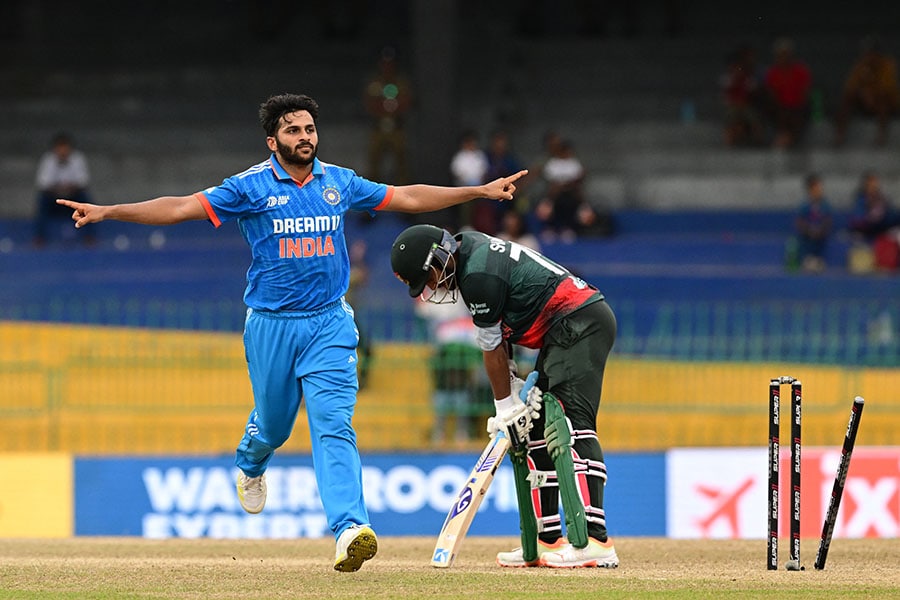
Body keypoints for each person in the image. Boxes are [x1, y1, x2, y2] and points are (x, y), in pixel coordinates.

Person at [57, 93, 527, 573]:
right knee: (276, 424)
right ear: (272, 140)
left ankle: (349, 529)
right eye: (293, 131)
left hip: (329, 323)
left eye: (309, 129)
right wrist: (110, 211)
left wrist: (477, 193)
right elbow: (179, 208)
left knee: (334, 425)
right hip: (271, 326)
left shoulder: (338, 181)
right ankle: (250, 461)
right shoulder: (250, 187)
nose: (305, 138)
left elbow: (405, 196)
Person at [390, 224, 619, 569]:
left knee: (571, 424)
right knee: (536, 429)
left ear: (439, 257)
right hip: (560, 330)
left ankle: (596, 541)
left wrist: (504, 406)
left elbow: (492, 345)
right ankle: (546, 541)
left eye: (431, 277)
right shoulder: (469, 255)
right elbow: (500, 334)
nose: (433, 288)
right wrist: (512, 388)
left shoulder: (477, 274)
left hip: (580, 322)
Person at [414, 297, 485, 446]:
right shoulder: (440, 351)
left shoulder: (463, 349)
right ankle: (439, 436)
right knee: (442, 402)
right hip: (443, 387)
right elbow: (433, 368)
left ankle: (462, 435)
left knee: (463, 402)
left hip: (460, 388)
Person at [833, 35, 900, 147]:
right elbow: (850, 86)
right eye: (867, 52)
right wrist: (863, 93)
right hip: (865, 102)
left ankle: (881, 136)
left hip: (884, 103)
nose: (868, 55)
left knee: (884, 103)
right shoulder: (861, 65)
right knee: (847, 99)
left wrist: (871, 94)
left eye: (871, 52)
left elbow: (887, 88)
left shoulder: (888, 64)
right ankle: (839, 134)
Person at [33, 132, 95, 246]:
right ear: (55, 149)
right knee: (42, 201)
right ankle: (39, 238)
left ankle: (90, 237)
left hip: (73, 196)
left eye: (65, 147)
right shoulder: (48, 160)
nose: (62, 151)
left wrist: (69, 188)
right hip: (54, 197)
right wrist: (59, 189)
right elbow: (43, 184)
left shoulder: (78, 159)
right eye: (59, 148)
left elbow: (83, 181)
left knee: (87, 202)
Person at [363, 46, 413, 184]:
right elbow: (370, 103)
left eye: (390, 63)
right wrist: (385, 108)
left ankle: (404, 194)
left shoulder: (401, 82)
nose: (387, 66)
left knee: (401, 161)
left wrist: (393, 108)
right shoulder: (375, 82)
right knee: (374, 161)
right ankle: (372, 197)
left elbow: (406, 102)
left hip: (397, 126)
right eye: (384, 63)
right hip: (378, 126)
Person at [763, 37, 812, 149]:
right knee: (776, 111)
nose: (783, 57)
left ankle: (787, 139)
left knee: (797, 114)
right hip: (780, 111)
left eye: (786, 54)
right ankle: (784, 138)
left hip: (798, 109)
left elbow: (805, 94)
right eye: (780, 54)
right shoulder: (772, 73)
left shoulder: (801, 71)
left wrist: (795, 107)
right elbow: (772, 95)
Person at [720, 43, 766, 147]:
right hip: (734, 107)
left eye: (739, 68)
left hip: (747, 107)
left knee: (755, 123)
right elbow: (726, 97)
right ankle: (728, 147)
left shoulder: (748, 79)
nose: (737, 70)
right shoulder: (727, 79)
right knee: (732, 124)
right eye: (734, 68)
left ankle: (759, 144)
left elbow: (753, 92)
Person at [449, 130, 490, 233]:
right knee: (465, 211)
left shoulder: (479, 156)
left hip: (480, 189)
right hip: (464, 189)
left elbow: (484, 170)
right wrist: (467, 183)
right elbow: (457, 172)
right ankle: (465, 227)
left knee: (480, 211)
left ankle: (479, 229)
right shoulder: (460, 157)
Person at [792, 174, 834, 272]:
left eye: (820, 187)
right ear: (810, 190)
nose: (819, 190)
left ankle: (817, 260)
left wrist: (820, 231)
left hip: (820, 242)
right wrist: (810, 230)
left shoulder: (825, 205)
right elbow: (799, 223)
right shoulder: (804, 206)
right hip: (807, 242)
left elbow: (828, 222)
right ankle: (807, 260)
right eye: (816, 188)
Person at [848, 171, 898, 241]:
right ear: (865, 185)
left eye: (876, 184)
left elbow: (892, 216)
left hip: (882, 230)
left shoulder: (882, 199)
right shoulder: (860, 200)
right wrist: (869, 218)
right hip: (865, 233)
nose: (874, 186)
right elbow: (856, 220)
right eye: (871, 184)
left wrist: (884, 214)